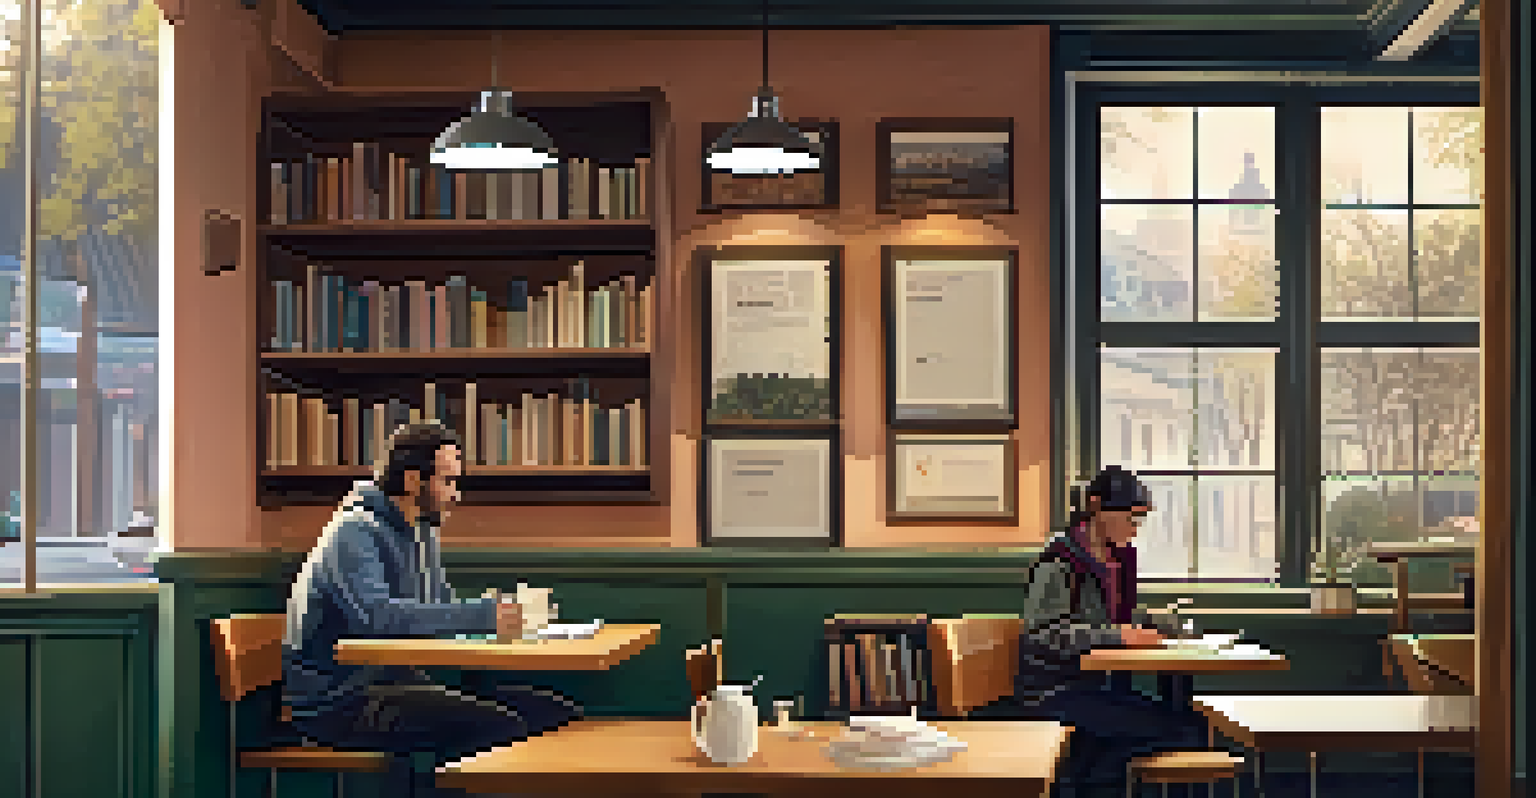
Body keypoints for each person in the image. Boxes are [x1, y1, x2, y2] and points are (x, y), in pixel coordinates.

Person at [282, 421, 581, 796]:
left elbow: (438, 608)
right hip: (339, 701)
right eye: (448, 481)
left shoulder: (422, 531)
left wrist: (492, 612)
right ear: (412, 481)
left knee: (554, 713)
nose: (456, 494)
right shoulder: (354, 531)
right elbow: (377, 618)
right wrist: (482, 615)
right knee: (496, 725)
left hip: (396, 684)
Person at [1014, 465, 1211, 796]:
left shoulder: (1111, 560)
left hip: (1095, 687)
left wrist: (1162, 623)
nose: (1135, 529)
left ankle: (1083, 775)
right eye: (1130, 518)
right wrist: (1119, 636)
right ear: (1095, 507)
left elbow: (1110, 617)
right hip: (1055, 693)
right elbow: (1043, 633)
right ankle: (1078, 777)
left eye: (1140, 520)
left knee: (1188, 724)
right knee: (1182, 730)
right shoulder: (1060, 562)